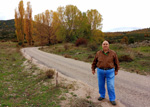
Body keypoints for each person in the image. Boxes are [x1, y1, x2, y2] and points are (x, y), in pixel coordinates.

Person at [91, 40, 119, 105]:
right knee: (101, 84)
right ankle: (102, 95)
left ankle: (112, 99)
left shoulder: (113, 53)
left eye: (106, 44)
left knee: (111, 85)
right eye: (104, 44)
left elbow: (116, 62)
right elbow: (94, 62)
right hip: (100, 71)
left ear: (108, 45)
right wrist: (93, 69)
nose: (105, 45)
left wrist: (116, 70)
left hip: (110, 71)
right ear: (102, 45)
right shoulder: (98, 53)